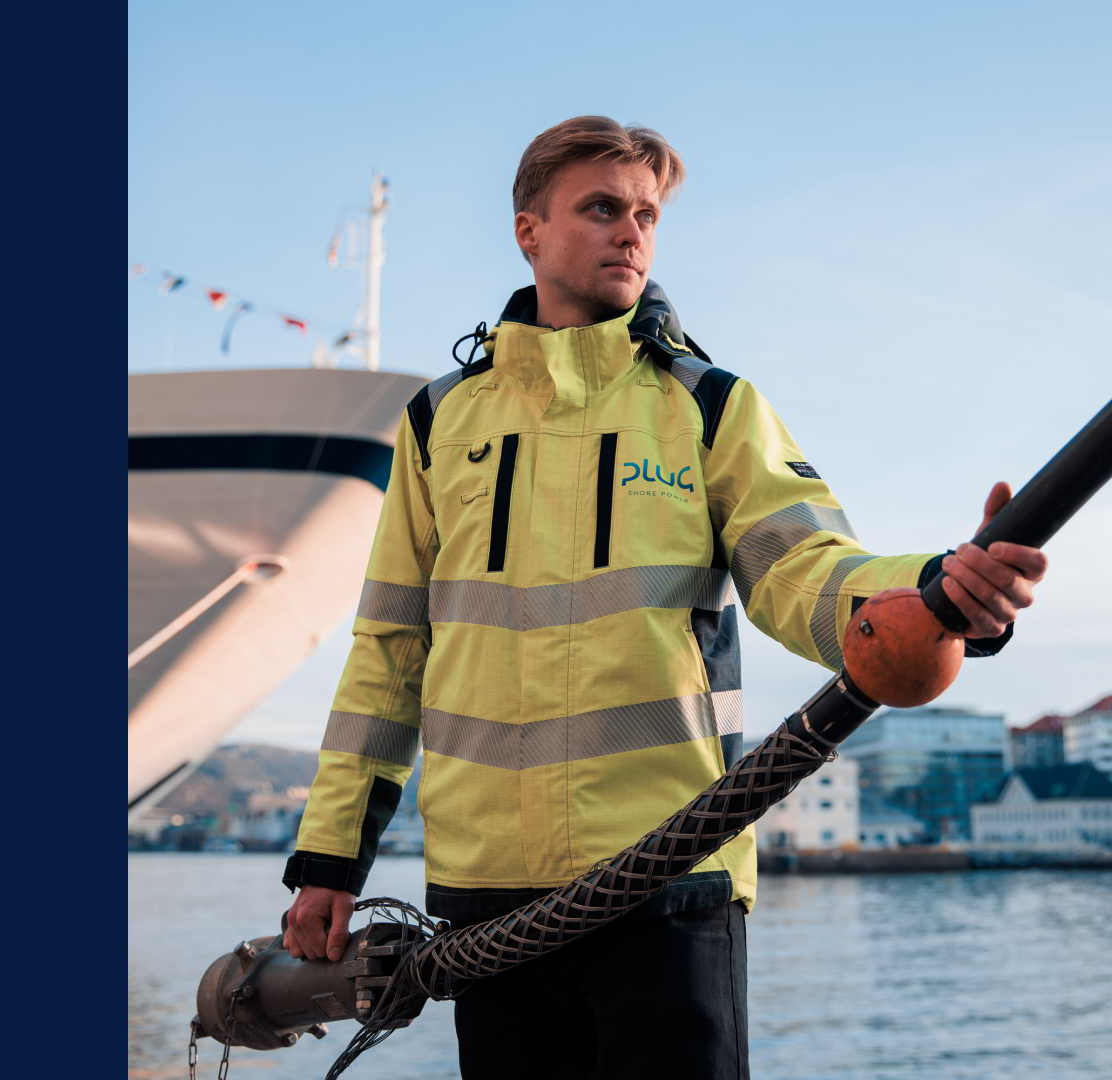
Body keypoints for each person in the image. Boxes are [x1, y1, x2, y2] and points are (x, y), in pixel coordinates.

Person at [277, 116, 1048, 1080]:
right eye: (602, 208)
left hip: (670, 882)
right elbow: (389, 650)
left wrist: (934, 590)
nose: (631, 232)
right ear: (529, 230)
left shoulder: (708, 406)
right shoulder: (438, 423)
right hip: (487, 899)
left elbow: (807, 570)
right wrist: (328, 862)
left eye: (645, 214)